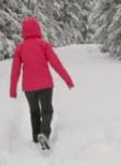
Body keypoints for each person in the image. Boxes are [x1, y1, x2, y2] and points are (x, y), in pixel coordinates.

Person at [9, 17, 74, 148]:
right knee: (47, 111)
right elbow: (56, 63)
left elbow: (15, 70)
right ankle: (44, 133)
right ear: (38, 29)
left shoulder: (20, 48)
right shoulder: (43, 44)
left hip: (29, 87)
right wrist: (67, 79)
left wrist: (13, 89)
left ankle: (35, 139)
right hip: (45, 85)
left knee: (34, 112)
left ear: (24, 31)